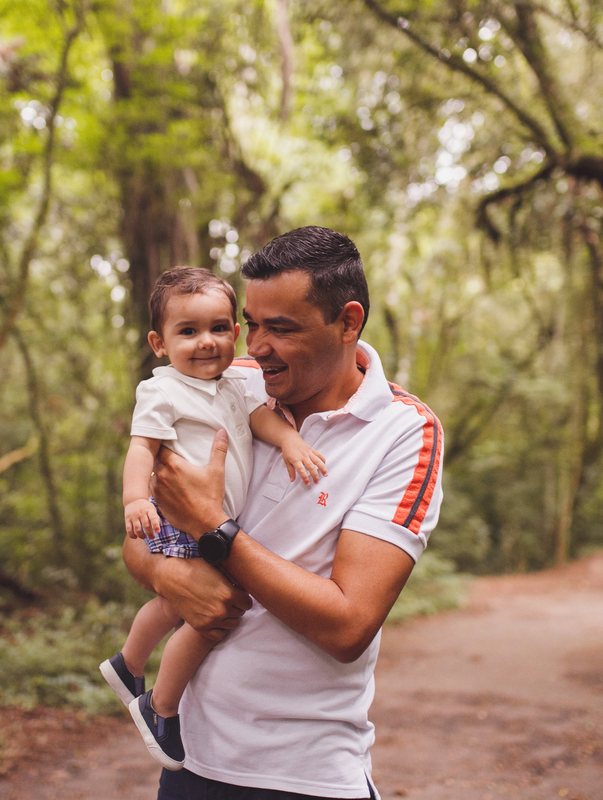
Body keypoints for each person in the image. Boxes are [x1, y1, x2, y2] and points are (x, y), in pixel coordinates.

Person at [123, 227, 444, 800]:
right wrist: (167, 574)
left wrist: (214, 532)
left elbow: (348, 625)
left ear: (348, 323)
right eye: (252, 323)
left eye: (282, 328)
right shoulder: (222, 386)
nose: (255, 347)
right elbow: (141, 536)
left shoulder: (404, 431)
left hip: (307, 771)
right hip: (192, 762)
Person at [100, 267, 327, 771]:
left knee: (174, 605)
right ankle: (160, 705)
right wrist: (134, 500)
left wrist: (290, 441)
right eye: (189, 331)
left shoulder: (237, 386)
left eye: (219, 328)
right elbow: (142, 450)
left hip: (216, 521)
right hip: (182, 522)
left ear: (236, 333)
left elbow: (260, 419)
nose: (207, 342)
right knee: (208, 618)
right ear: (159, 343)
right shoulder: (162, 391)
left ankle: (127, 663)